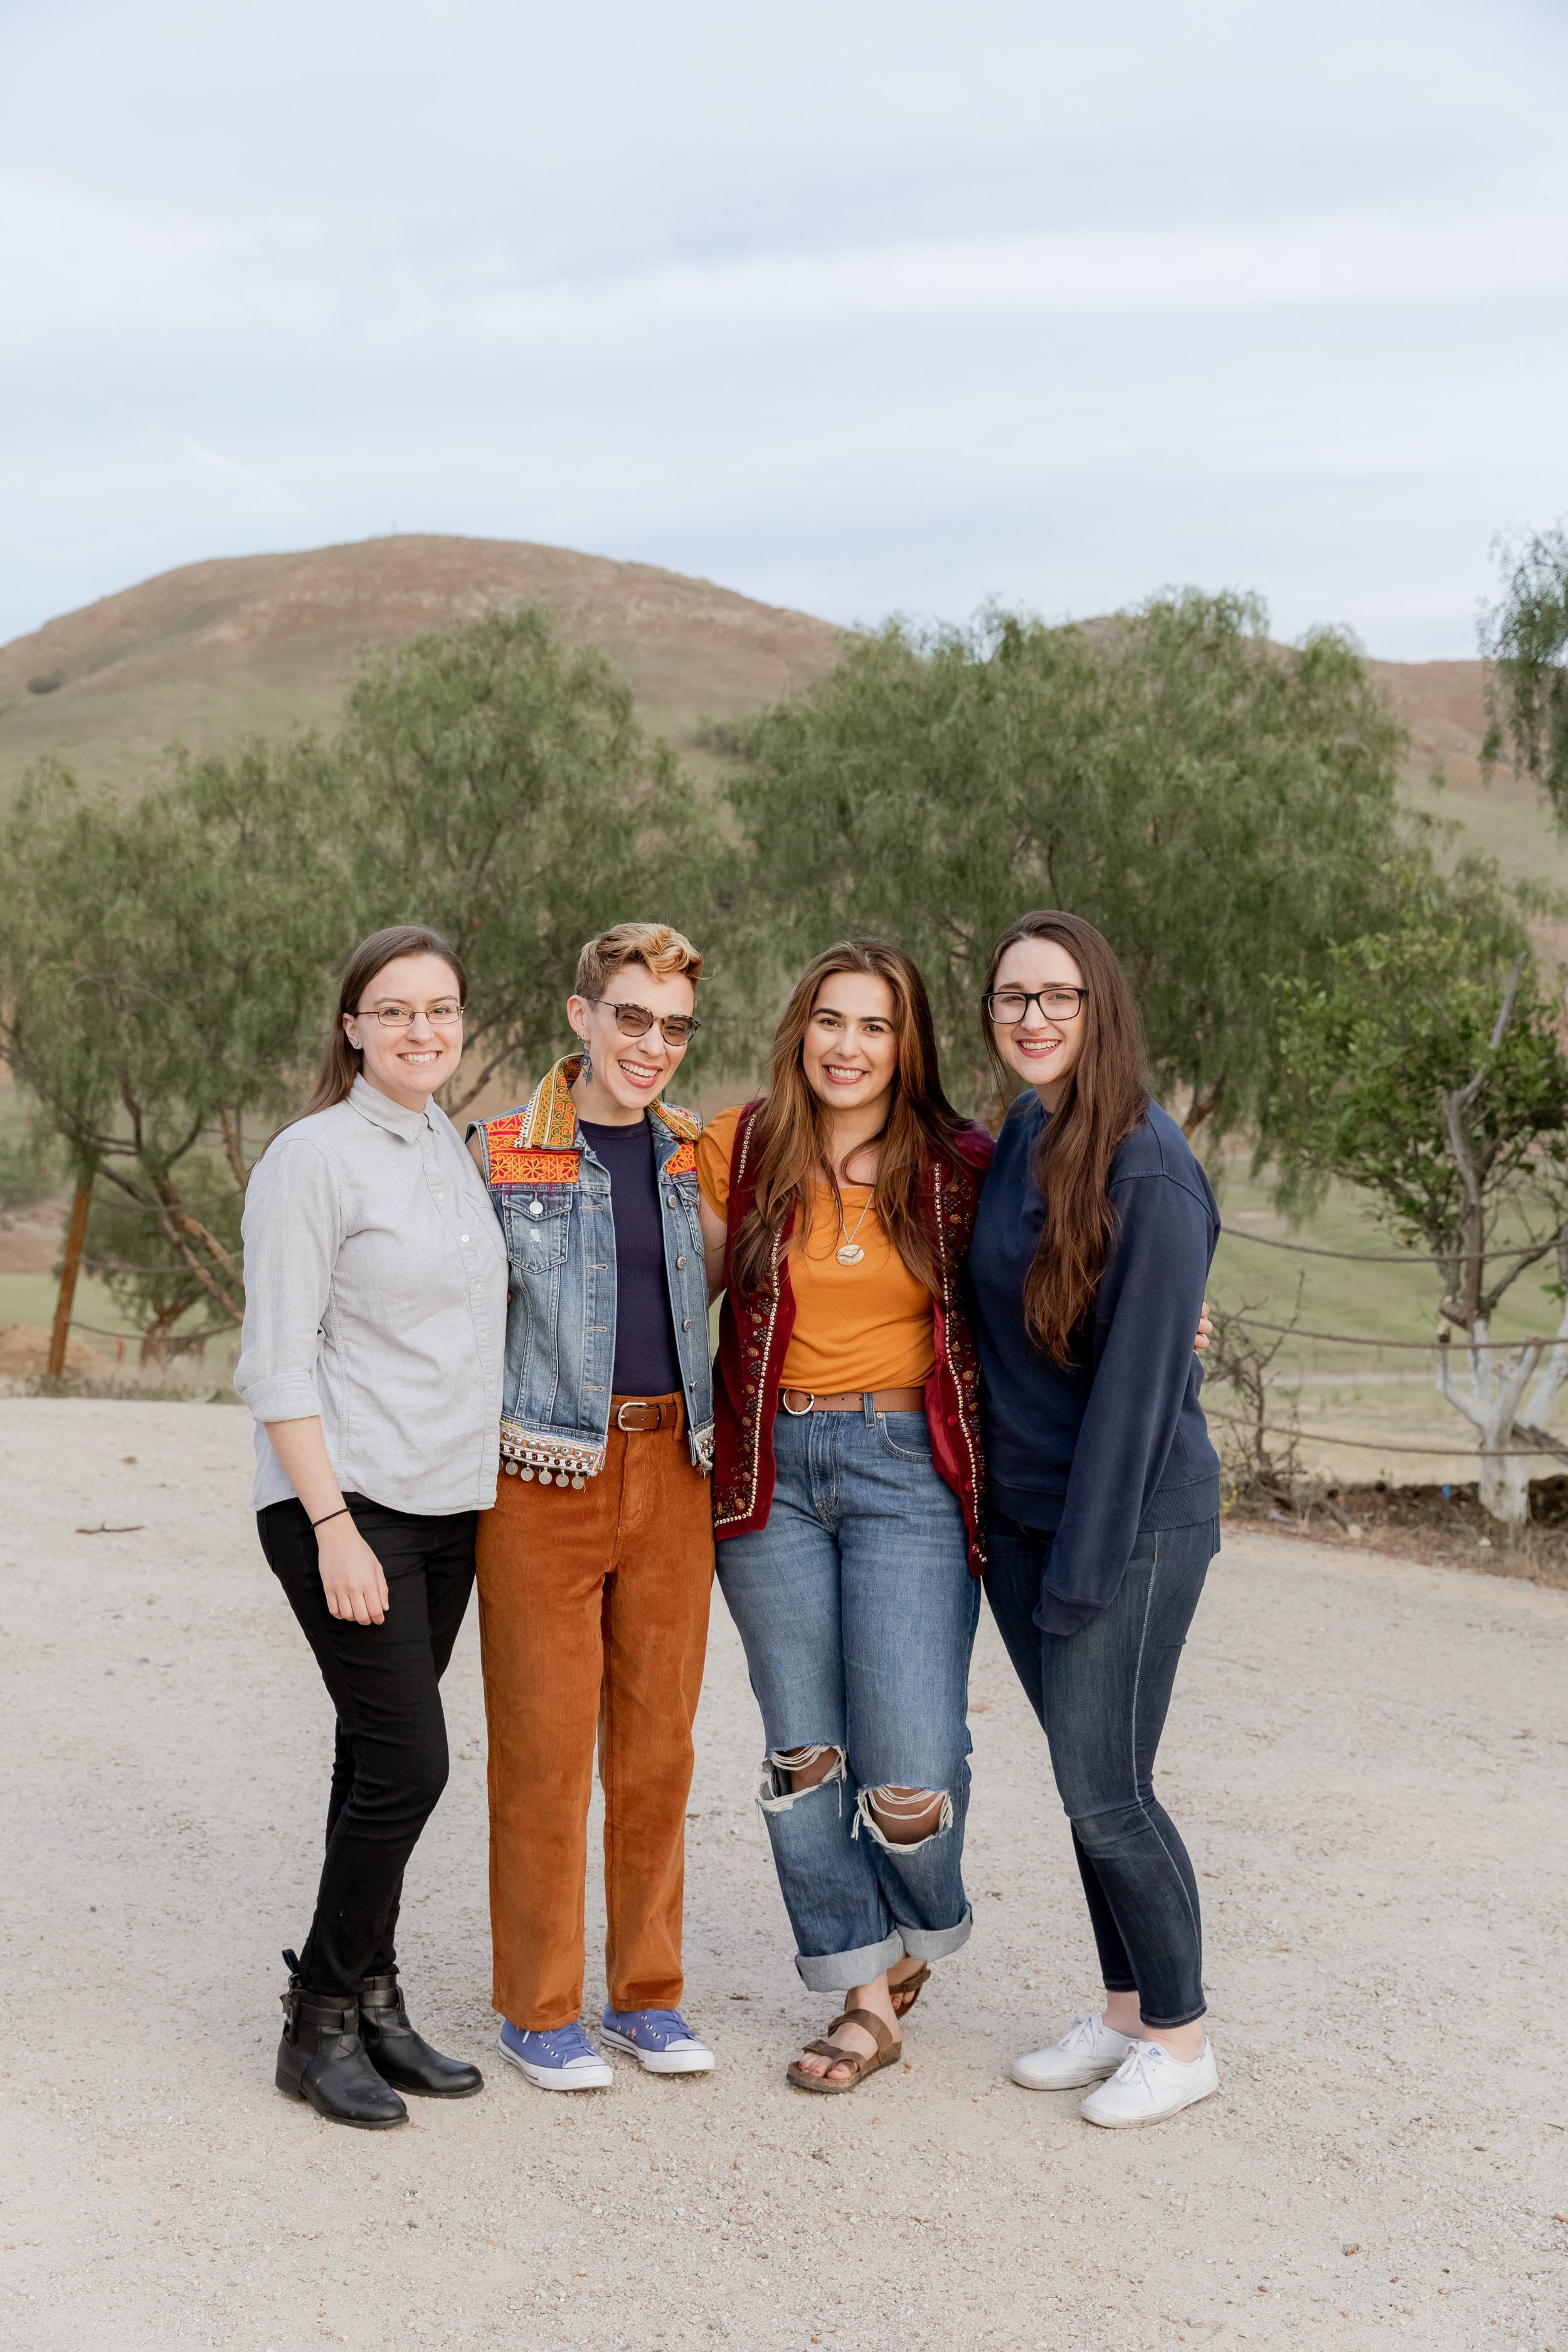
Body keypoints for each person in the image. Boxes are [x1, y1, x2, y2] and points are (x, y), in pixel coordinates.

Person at [696, 939, 993, 2095]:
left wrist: (1168, 1314)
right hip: (771, 1471)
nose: (848, 1046)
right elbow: (677, 1278)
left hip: (906, 1466)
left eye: (874, 1026)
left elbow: (1052, 1262)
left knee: (909, 1764)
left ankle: (925, 1927)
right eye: (830, 1020)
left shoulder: (959, 1161)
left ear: (904, 1042)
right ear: (801, 1028)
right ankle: (863, 1996)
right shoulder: (746, 1146)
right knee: (806, 1750)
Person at [236, 925, 507, 2129]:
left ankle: (376, 2002)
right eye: (393, 1010)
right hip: (346, 1509)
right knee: (411, 1762)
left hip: (448, 1509)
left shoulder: (449, 1141)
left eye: (439, 1009)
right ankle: (318, 2021)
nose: (420, 1030)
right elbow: (275, 1362)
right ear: (351, 1025)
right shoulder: (314, 1157)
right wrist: (333, 1524)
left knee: (368, 1755)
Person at [967, 909, 1223, 2130]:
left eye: (1056, 995)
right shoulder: (1025, 1133)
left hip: (1123, 1527)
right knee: (1085, 1787)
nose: (1031, 1016)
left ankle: (1179, 2038)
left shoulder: (1146, 1165)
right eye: (1011, 996)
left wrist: (1078, 1573)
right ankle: (1122, 2010)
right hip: (1020, 1522)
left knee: (1111, 1792)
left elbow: (1131, 1401)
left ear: (1099, 1007)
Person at [467, 923, 718, 2091]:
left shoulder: (697, 1156)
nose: (652, 1044)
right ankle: (540, 2007)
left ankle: (647, 1997)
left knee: (659, 1751)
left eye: (673, 1026)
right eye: (631, 1016)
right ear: (580, 1016)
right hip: (541, 1478)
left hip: (675, 1471)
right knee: (544, 1749)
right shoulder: (499, 1153)